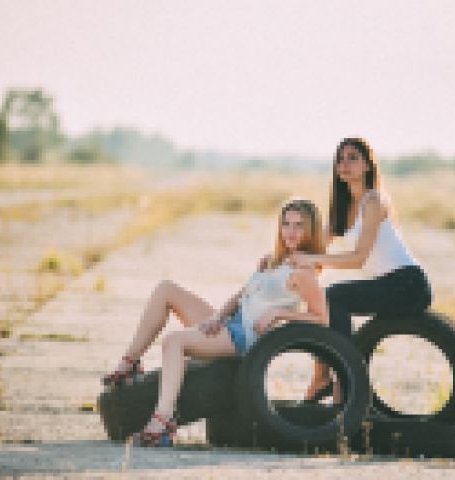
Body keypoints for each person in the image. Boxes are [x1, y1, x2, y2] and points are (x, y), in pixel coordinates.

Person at [101, 199, 329, 447]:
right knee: (166, 289)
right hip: (229, 325)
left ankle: (163, 421)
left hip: (244, 340)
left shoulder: (304, 272)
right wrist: (216, 318)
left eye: (299, 225)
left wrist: (279, 313)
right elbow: (241, 296)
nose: (290, 232)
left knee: (174, 342)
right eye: (286, 224)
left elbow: (321, 317)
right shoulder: (271, 261)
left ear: (311, 230)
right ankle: (130, 363)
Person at [290, 137, 432, 403]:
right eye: (340, 159)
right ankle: (323, 376)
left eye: (353, 158)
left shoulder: (374, 200)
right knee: (323, 299)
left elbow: (358, 259)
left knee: (334, 297)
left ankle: (345, 382)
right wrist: (291, 270)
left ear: (368, 165)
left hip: (409, 285)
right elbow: (317, 249)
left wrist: (311, 260)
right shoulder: (345, 206)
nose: (344, 164)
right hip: (389, 284)